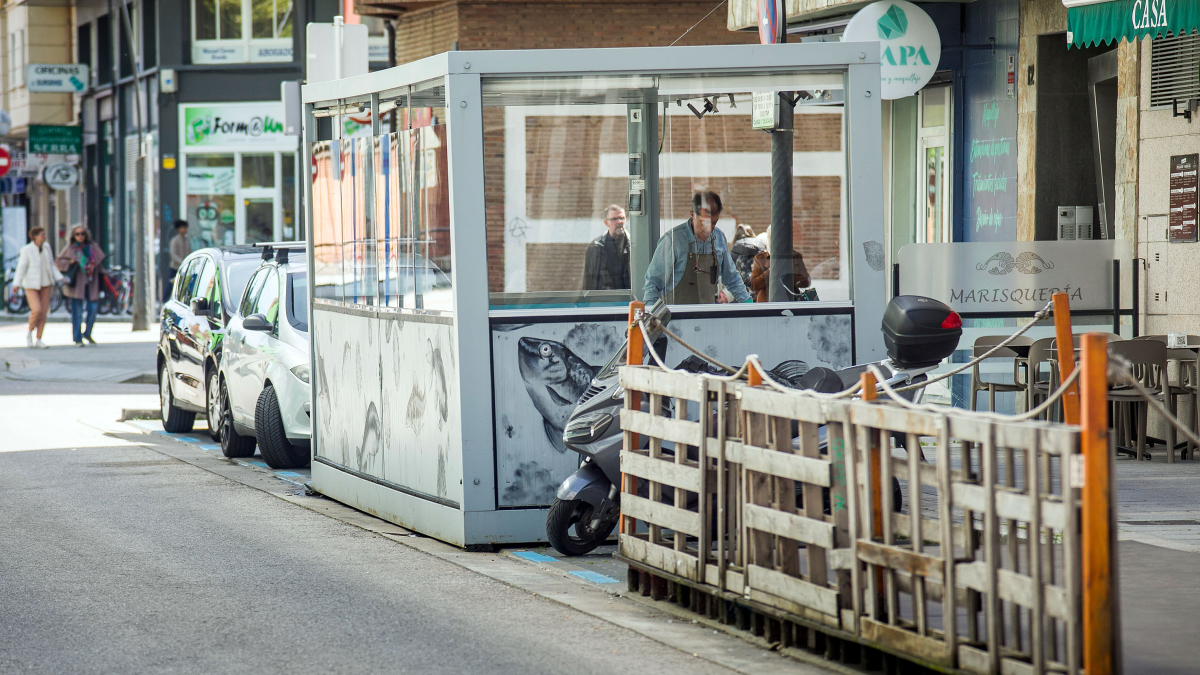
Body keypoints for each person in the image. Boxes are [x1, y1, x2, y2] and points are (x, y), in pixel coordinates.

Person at [643, 191, 751, 305]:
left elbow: (732, 279)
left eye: (714, 223)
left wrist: (748, 303)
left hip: (708, 315)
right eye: (704, 222)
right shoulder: (672, 241)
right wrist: (651, 314)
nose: (709, 228)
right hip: (676, 317)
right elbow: (653, 283)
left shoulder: (719, 238)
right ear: (692, 215)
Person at [13, 227, 63, 348]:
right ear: (35, 236)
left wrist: (59, 277)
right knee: (37, 309)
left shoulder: (46, 248)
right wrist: (16, 283)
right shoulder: (27, 250)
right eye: (42, 235)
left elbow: (51, 265)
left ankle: (39, 338)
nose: (44, 237)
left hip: (46, 283)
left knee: (44, 312)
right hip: (31, 285)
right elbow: (21, 267)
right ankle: (30, 332)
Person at [57, 226, 105, 347]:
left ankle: (87, 333)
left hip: (91, 283)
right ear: (73, 235)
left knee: (93, 309)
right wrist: (70, 263)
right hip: (77, 284)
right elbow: (59, 262)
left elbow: (99, 263)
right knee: (77, 312)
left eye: (82, 234)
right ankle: (77, 338)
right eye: (77, 234)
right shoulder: (71, 248)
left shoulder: (91, 247)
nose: (80, 236)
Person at [582, 204, 630, 290]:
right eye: (614, 219)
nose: (619, 222)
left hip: (630, 299)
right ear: (606, 223)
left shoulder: (634, 245)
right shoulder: (596, 247)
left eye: (622, 218)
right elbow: (589, 280)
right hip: (605, 299)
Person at [167, 220, 191, 302]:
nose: (185, 230)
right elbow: (173, 254)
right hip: (175, 267)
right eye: (183, 228)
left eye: (186, 228)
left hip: (185, 267)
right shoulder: (175, 240)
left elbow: (189, 251)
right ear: (179, 229)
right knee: (171, 285)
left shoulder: (187, 240)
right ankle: (164, 301)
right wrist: (181, 262)